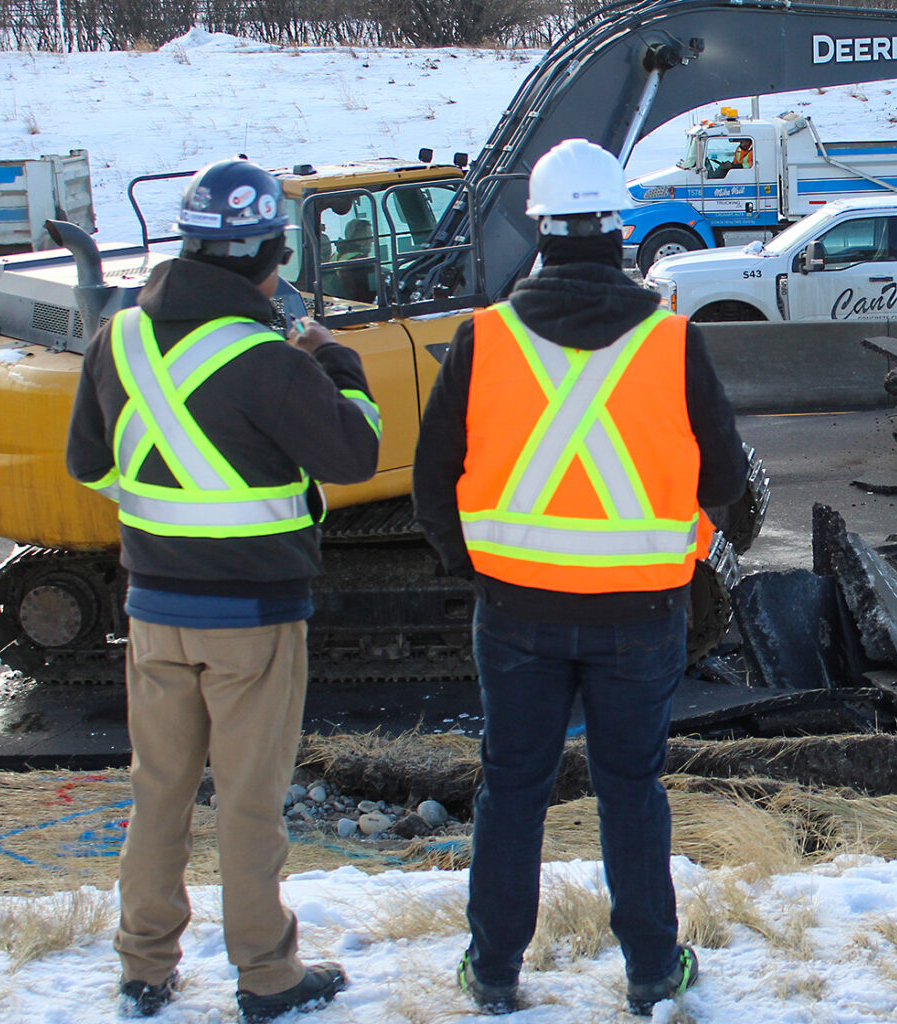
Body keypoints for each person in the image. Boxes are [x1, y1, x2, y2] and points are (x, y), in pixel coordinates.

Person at [411, 138, 747, 1016]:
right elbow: (728, 479)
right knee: (631, 788)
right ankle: (647, 973)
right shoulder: (674, 341)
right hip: (641, 613)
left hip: (515, 613)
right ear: (618, 225)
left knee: (511, 788)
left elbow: (430, 480)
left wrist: (474, 569)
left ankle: (492, 971)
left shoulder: (481, 340)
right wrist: (687, 548)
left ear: (540, 231)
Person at [65, 158, 382, 1023]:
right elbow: (355, 454)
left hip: (153, 614)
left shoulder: (117, 339)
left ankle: (144, 966)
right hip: (255, 620)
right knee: (247, 803)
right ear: (273, 255)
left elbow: (88, 464)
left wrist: (169, 523)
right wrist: (337, 361)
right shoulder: (272, 361)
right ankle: (267, 978)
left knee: (158, 791)